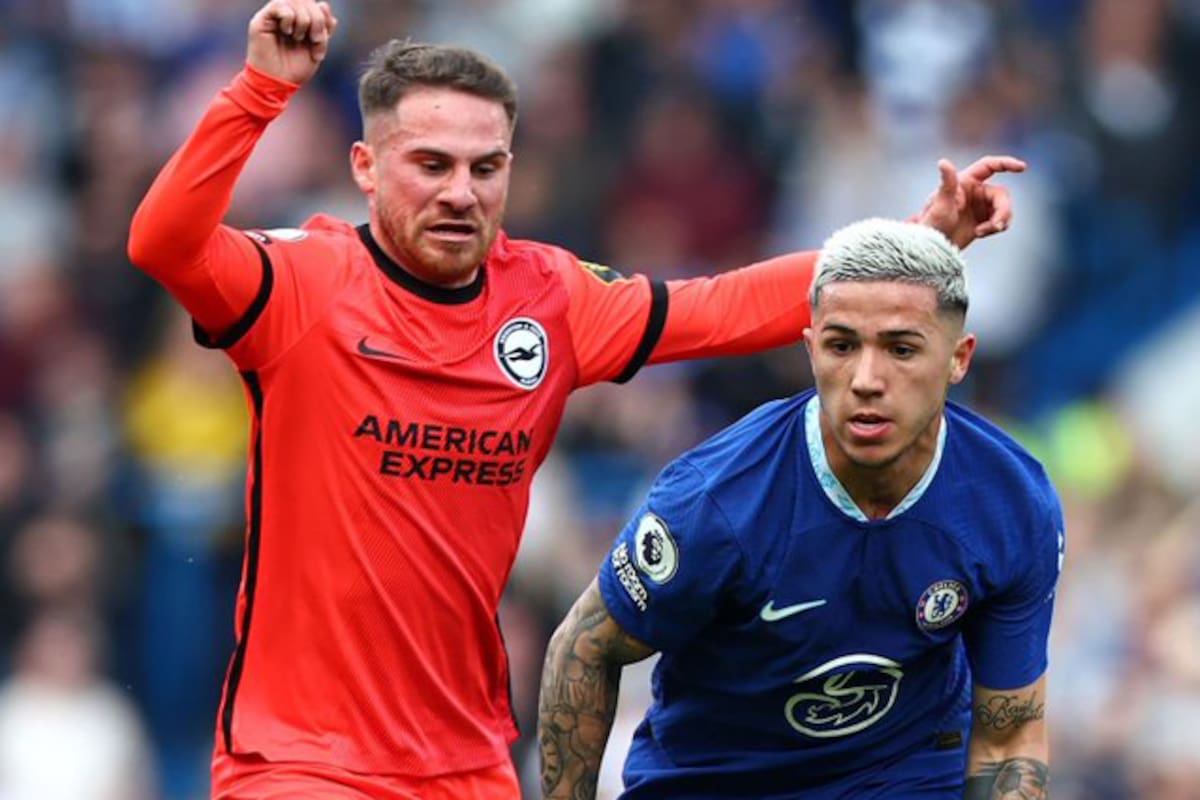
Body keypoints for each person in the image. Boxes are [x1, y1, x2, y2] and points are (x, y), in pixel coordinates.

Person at [126, 1, 1026, 796]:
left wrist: (913, 242)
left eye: (486, 168)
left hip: (467, 758)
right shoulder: (302, 285)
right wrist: (259, 91)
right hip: (302, 759)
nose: (460, 192)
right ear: (366, 166)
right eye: (430, 164)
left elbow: (717, 308)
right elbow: (164, 243)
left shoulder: (549, 299)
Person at [538, 219, 1063, 799]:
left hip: (900, 778)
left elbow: (1010, 739)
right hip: (718, 783)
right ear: (811, 350)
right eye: (842, 346)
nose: (866, 379)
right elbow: (584, 647)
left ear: (958, 359)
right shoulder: (716, 499)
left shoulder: (1011, 501)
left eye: (902, 349)